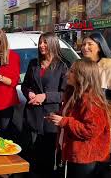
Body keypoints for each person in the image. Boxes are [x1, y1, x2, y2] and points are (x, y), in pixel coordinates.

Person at [47, 59, 111, 178]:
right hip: (73, 155)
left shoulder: (92, 100)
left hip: (86, 159)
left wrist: (64, 121)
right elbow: (72, 116)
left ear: (82, 76)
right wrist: (57, 116)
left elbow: (91, 130)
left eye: (71, 71)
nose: (67, 74)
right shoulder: (73, 93)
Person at [20, 32, 67, 177]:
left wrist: (45, 96)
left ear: (53, 43)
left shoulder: (62, 66)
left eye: (45, 42)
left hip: (50, 119)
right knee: (30, 155)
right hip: (31, 116)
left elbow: (64, 94)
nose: (41, 45)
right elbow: (24, 85)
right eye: (40, 42)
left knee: (46, 158)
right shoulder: (33, 63)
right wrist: (28, 93)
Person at [81, 32, 111, 128]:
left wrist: (103, 115)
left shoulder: (110, 66)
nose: (85, 47)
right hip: (83, 121)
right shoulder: (81, 66)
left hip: (100, 123)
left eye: (90, 44)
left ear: (100, 47)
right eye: (83, 44)